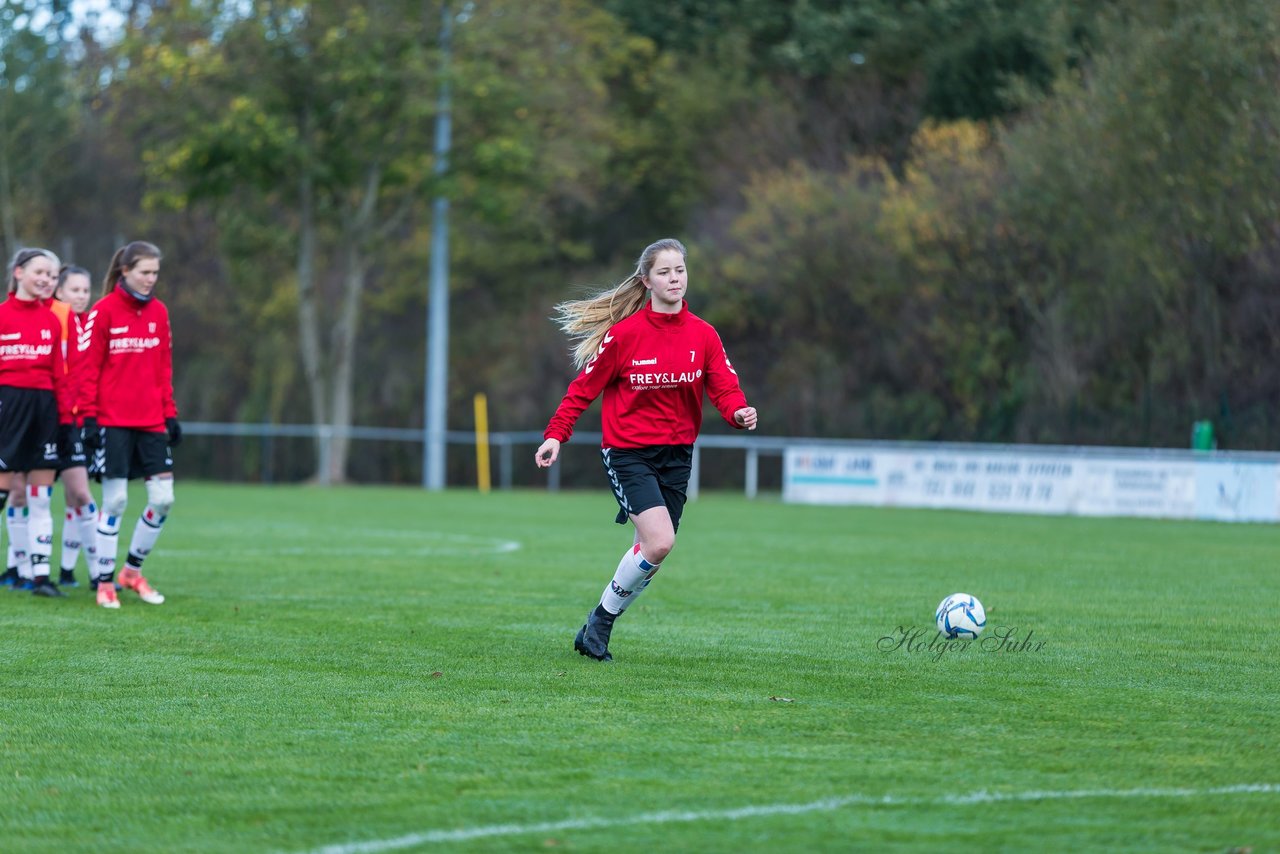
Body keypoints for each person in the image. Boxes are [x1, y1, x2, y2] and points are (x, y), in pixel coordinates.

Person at [534, 238, 758, 661]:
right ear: (647, 281)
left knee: (651, 552)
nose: (675, 279)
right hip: (628, 452)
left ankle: (595, 626)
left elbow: (725, 389)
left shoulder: (704, 335)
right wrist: (555, 435)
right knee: (659, 543)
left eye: (680, 271)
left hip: (677, 456)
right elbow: (582, 392)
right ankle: (600, 625)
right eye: (664, 272)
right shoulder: (624, 336)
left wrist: (739, 412)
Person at [78, 241, 180, 609]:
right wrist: (88, 418)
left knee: (164, 499)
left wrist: (170, 412)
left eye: (155, 272)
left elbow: (163, 367)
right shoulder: (102, 311)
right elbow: (88, 370)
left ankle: (131, 572)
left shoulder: (160, 312)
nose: (151, 279)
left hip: (152, 420)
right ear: (125, 271)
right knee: (117, 501)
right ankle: (105, 582)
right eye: (145, 272)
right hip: (112, 422)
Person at [0, 248, 77, 597]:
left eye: (52, 275)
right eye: (40, 272)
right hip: (8, 406)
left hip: (44, 410)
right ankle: (17, 569)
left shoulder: (52, 320)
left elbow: (60, 377)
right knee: (4, 492)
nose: (47, 279)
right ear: (18, 273)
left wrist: (66, 421)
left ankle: (41, 578)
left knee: (41, 497)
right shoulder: (2, 316)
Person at [50, 265, 98, 588]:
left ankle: (89, 573)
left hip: (78, 421)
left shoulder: (91, 327)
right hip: (47, 418)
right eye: (75, 290)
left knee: (77, 495)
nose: (81, 296)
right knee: (21, 494)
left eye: (85, 291)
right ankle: (20, 569)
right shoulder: (54, 321)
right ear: (59, 292)